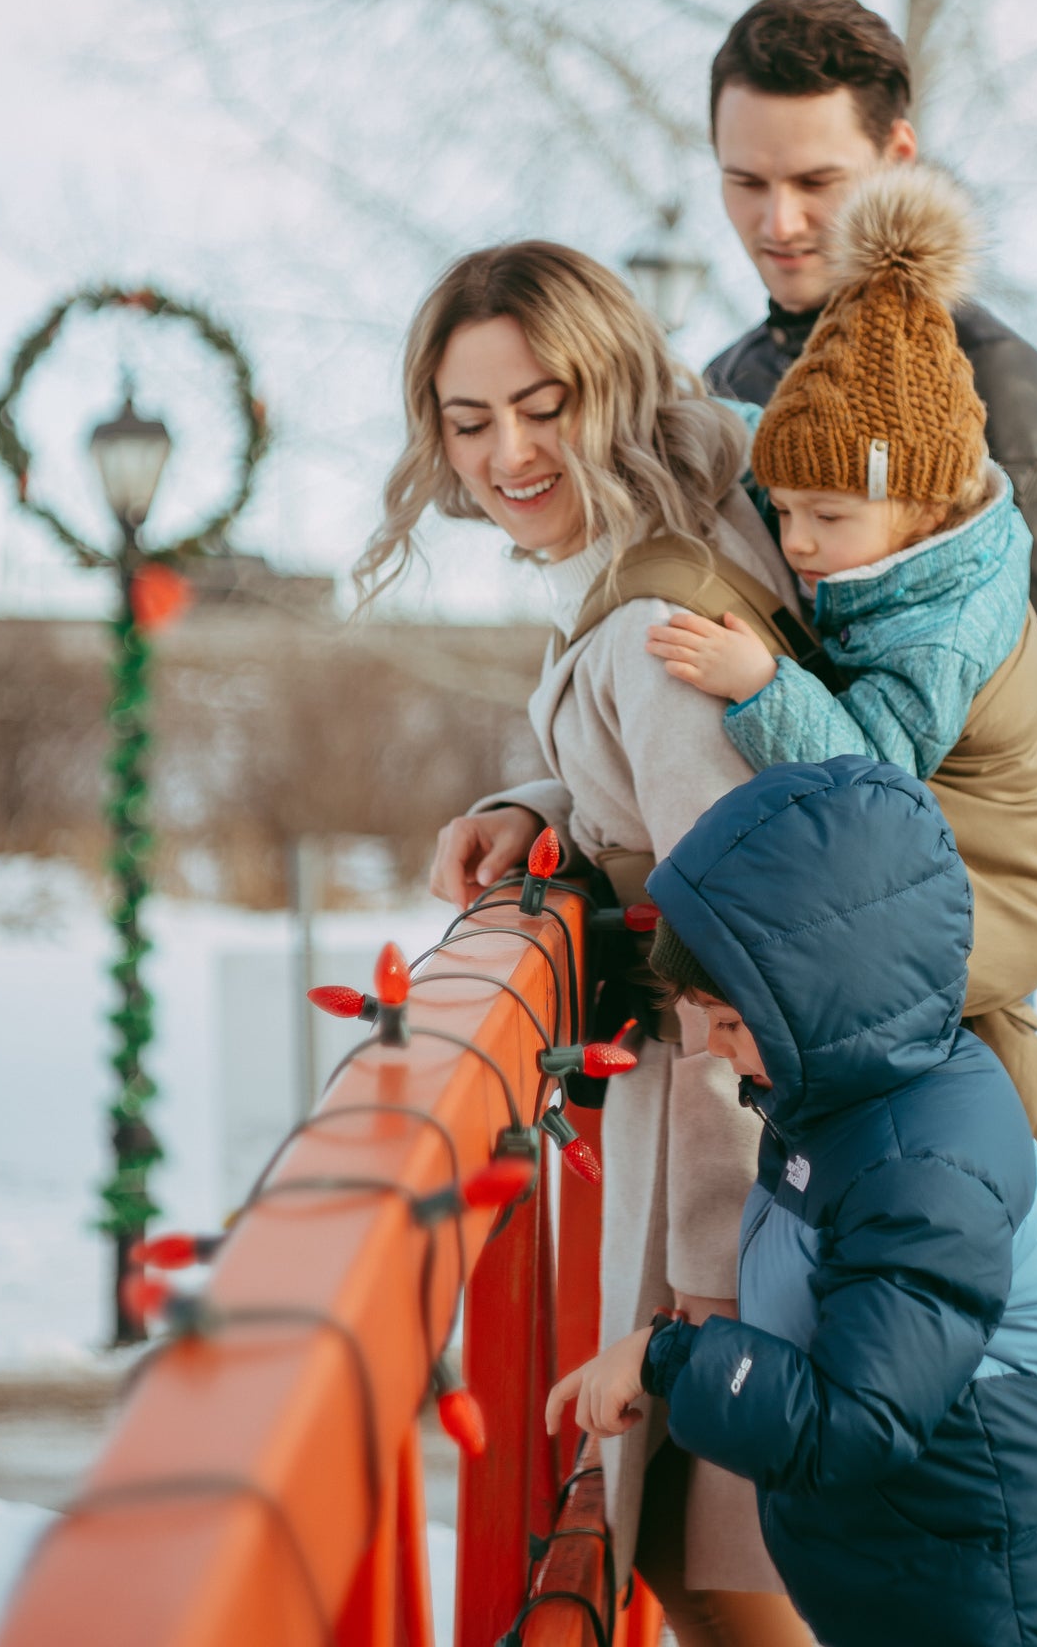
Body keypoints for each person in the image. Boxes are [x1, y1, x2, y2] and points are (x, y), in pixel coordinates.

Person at [360, 241, 814, 1646]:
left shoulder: (652, 610)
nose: (507, 454)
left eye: (543, 405)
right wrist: (535, 807)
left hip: (740, 1191)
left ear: (610, 388)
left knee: (718, 1569)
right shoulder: (655, 556)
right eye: (470, 417)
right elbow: (676, 796)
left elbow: (756, 929)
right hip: (736, 1184)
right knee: (703, 1561)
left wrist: (706, 1290)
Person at [547, 758, 1037, 1647]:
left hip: (983, 1589)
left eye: (729, 1020)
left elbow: (852, 1425)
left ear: (814, 1006)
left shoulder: (919, 1173)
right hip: (930, 1566)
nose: (706, 1046)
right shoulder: (847, 1099)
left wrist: (669, 1358)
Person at [650, 163, 1037, 1261]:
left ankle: (862, 1237)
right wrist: (657, 401)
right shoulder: (875, 518)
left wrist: (758, 685)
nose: (798, 540)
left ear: (914, 504)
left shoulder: (942, 619)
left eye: (825, 514)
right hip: (935, 865)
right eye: (786, 509)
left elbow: (874, 778)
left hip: (993, 889)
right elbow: (765, 451)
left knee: (789, 987)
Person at [704, 0, 1037, 776]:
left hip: (923, 868)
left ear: (898, 157)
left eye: (816, 180)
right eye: (746, 182)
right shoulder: (723, 382)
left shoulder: (993, 377)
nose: (778, 222)